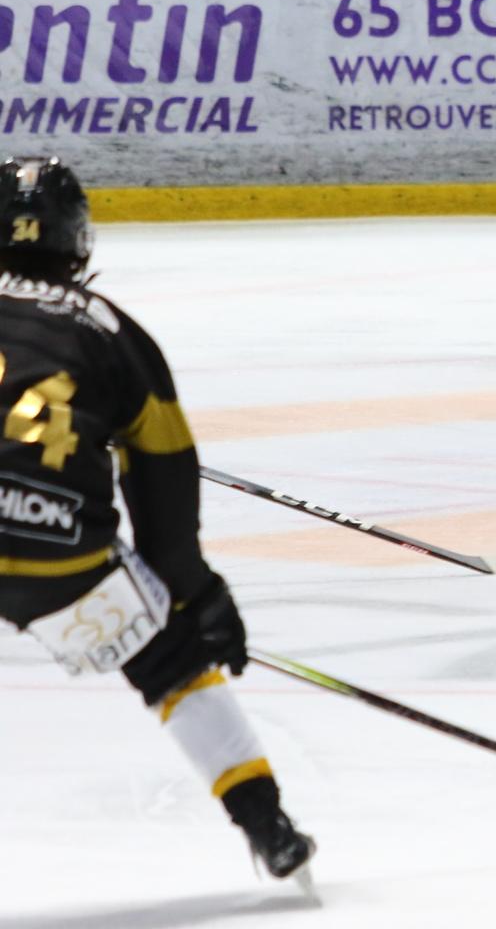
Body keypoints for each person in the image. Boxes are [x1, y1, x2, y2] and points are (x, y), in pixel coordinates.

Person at [0, 157, 316, 878]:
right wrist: (197, 598)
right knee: (173, 666)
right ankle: (268, 827)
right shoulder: (114, 332)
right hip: (63, 556)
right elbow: (166, 499)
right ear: (78, 239)